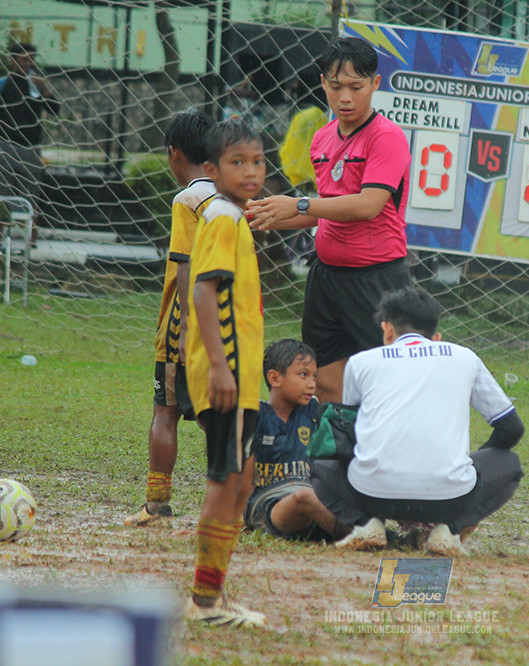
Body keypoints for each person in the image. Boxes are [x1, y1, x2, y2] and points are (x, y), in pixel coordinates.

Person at [246, 37, 413, 404]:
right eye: (336, 87)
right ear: (323, 83)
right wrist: (262, 216)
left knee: (387, 383)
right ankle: (335, 459)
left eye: (356, 86)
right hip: (326, 278)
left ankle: (386, 458)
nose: (345, 97)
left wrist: (301, 204)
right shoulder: (321, 138)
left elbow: (368, 206)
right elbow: (327, 210)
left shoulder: (387, 138)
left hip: (378, 278)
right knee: (322, 382)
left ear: (375, 84)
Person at [310, 287, 525, 557]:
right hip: (449, 498)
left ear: (387, 330)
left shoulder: (361, 362)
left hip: (372, 494)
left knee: (319, 461)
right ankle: (448, 530)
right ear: (436, 337)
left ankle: (366, 523)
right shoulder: (464, 357)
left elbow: (349, 430)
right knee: (510, 464)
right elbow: (511, 428)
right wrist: (467, 464)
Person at [182, 118, 266, 628]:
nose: (251, 172)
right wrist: (219, 365)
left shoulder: (234, 217)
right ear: (212, 170)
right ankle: (204, 602)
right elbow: (202, 290)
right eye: (238, 163)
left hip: (244, 373)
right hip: (228, 370)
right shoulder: (220, 217)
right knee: (226, 479)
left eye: (258, 161)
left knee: (242, 480)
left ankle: (213, 593)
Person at [125, 111, 216, 528]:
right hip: (225, 319)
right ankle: (231, 504)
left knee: (166, 410)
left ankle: (157, 504)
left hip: (187, 318)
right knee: (220, 416)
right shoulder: (229, 196)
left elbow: (183, 263)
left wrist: (183, 330)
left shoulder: (188, 199)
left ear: (173, 153)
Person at [245, 339, 348, 541]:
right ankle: (359, 536)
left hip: (312, 497)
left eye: (314, 376)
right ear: (275, 378)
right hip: (271, 504)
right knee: (303, 498)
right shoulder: (256, 417)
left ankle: (343, 529)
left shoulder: (312, 412)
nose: (312, 384)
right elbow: (244, 479)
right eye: (303, 375)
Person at [0, 42, 59, 244]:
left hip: (31, 149)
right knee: (0, 197)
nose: (29, 63)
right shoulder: (2, 85)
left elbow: (55, 110)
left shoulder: (37, 85)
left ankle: (31, 244)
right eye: (24, 59)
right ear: (13, 60)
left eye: (32, 59)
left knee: (31, 198)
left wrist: (45, 90)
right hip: (5, 147)